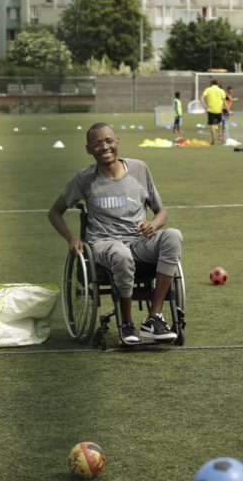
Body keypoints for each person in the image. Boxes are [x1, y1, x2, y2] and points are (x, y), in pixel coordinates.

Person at [48, 122, 183, 345]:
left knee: (173, 236)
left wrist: (154, 224)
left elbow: (162, 212)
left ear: (117, 142)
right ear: (89, 149)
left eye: (109, 141)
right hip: (103, 244)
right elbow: (55, 212)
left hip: (139, 242)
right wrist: (72, 238)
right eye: (97, 143)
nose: (104, 147)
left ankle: (154, 318)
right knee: (120, 253)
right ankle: (127, 323)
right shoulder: (84, 178)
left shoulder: (140, 169)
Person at [201, 79, 226, 145]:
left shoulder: (208, 89)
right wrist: (228, 110)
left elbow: (201, 98)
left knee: (212, 125)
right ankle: (220, 135)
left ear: (211, 84)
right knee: (220, 123)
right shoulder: (221, 90)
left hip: (210, 109)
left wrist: (205, 106)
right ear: (217, 84)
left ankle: (213, 140)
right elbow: (224, 101)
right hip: (219, 110)